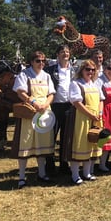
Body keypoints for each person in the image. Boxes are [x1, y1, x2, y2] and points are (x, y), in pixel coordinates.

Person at [12, 52, 55, 188]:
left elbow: (51, 94)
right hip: (29, 112)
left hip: (44, 112)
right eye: (38, 60)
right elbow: (20, 92)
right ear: (31, 61)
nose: (41, 63)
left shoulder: (47, 76)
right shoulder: (25, 74)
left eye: (43, 61)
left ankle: (41, 173)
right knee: (25, 142)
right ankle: (21, 177)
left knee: (42, 143)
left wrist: (45, 105)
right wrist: (34, 102)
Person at [65, 59, 104, 184]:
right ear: (82, 70)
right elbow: (77, 103)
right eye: (88, 69)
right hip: (81, 118)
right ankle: (75, 175)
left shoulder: (96, 84)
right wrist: (90, 115)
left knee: (92, 144)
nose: (90, 72)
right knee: (79, 144)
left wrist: (99, 113)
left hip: (95, 118)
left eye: (93, 70)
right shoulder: (76, 84)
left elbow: (101, 99)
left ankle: (87, 173)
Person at [44, 44, 75, 174]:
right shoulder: (50, 70)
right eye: (62, 52)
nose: (65, 54)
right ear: (57, 55)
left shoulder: (75, 70)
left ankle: (64, 163)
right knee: (51, 136)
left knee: (66, 137)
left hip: (69, 107)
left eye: (67, 52)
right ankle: (49, 164)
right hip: (54, 106)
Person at [96, 59, 111, 173]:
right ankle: (99, 163)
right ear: (104, 69)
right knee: (104, 136)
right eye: (109, 68)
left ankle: (104, 162)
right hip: (105, 110)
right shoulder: (100, 81)